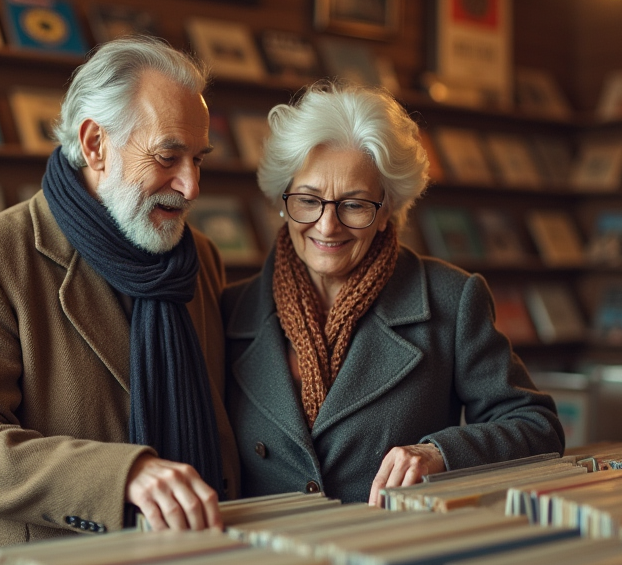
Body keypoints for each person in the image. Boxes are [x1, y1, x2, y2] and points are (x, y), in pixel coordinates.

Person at [0, 36, 239, 553]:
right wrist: (122, 477)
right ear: (94, 145)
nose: (191, 185)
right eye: (168, 156)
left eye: (198, 159)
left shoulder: (202, 257)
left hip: (195, 561)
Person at [222, 82, 564, 506]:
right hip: (262, 560)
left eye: (354, 205)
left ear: (387, 211)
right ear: (282, 200)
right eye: (308, 201)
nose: (328, 226)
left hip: (395, 553)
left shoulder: (452, 300)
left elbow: (537, 426)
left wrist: (438, 453)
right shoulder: (229, 310)